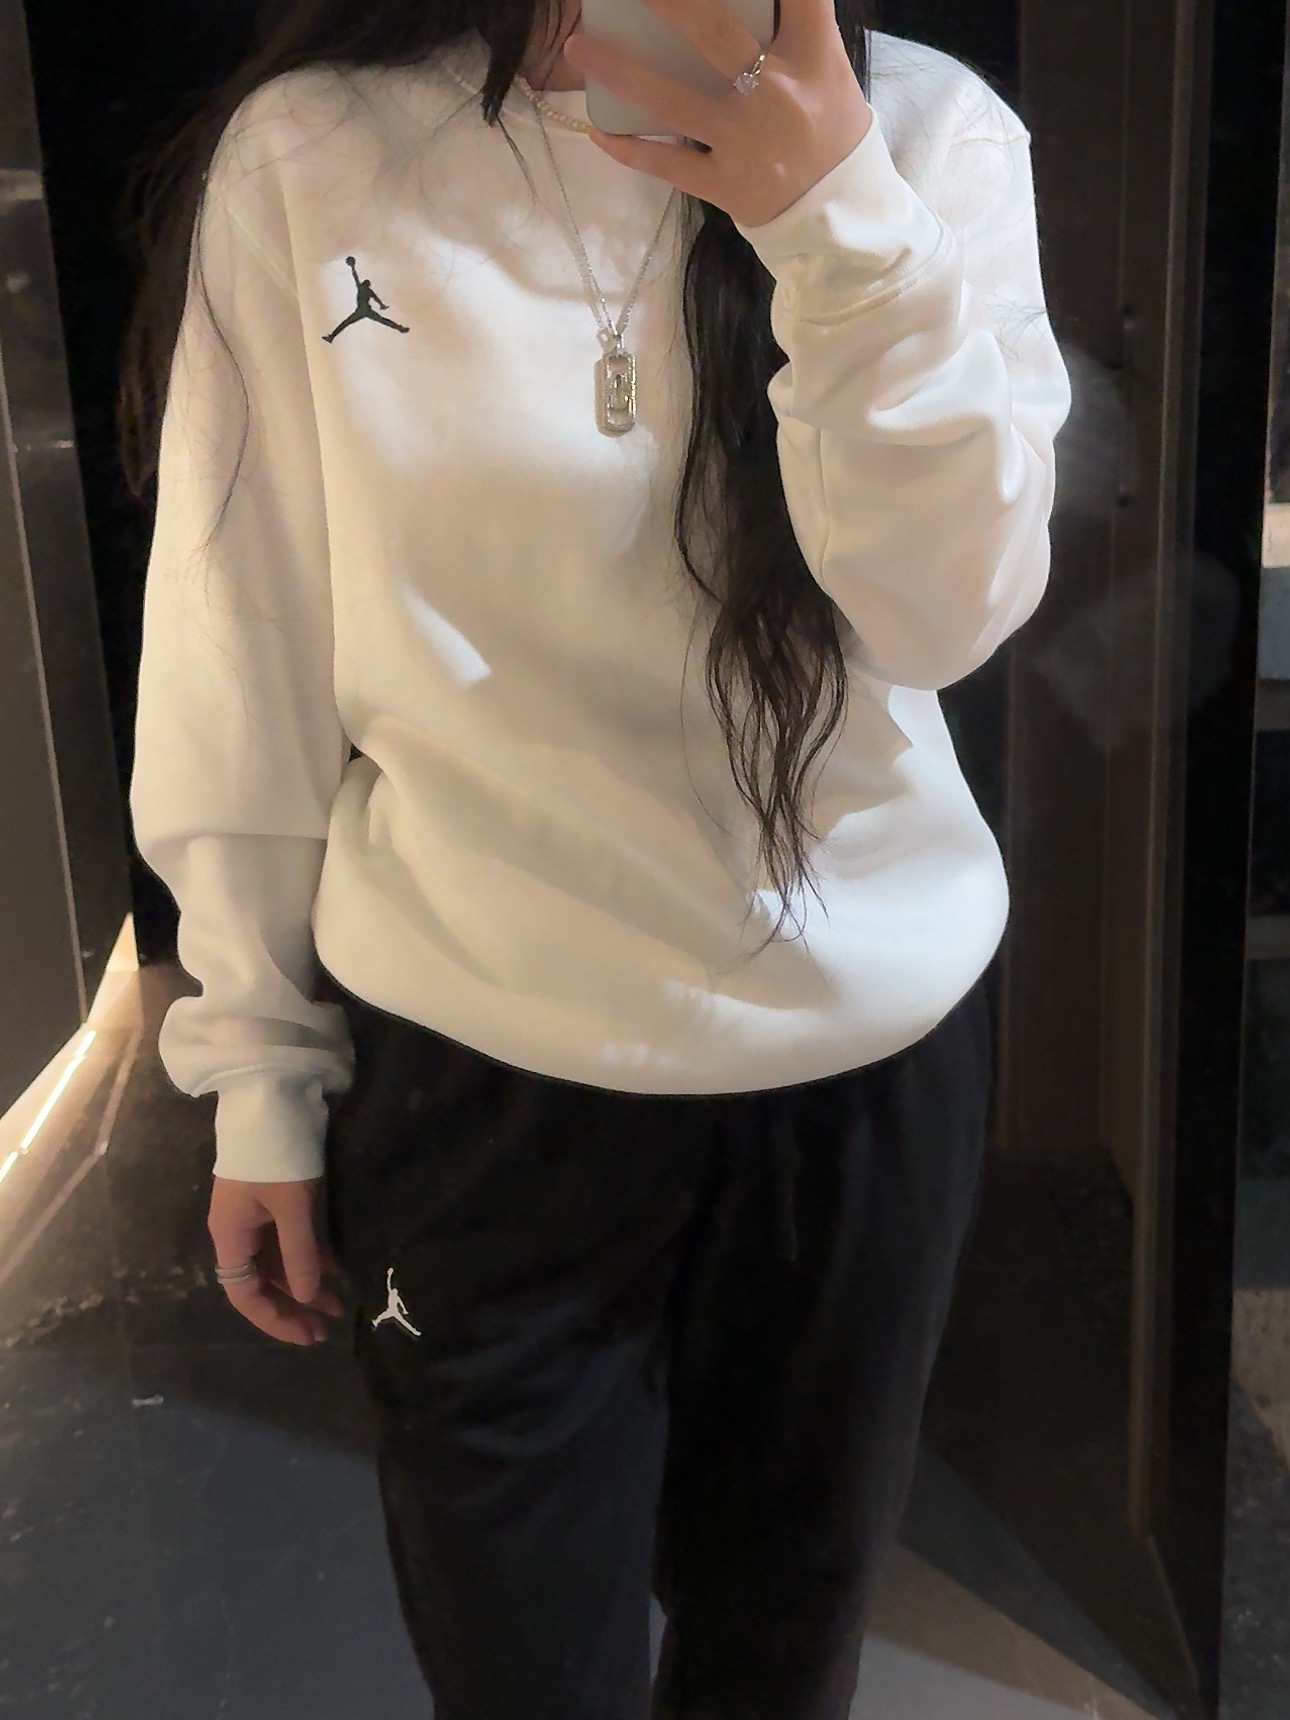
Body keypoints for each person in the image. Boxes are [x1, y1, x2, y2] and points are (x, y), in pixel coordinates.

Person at [122, 0, 1072, 1714]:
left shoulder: (930, 137)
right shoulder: (319, 153)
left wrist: (833, 218)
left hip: (852, 1070)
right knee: (516, 1672)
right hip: (478, 1074)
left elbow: (944, 615)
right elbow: (239, 634)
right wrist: (256, 1060)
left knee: (779, 1657)